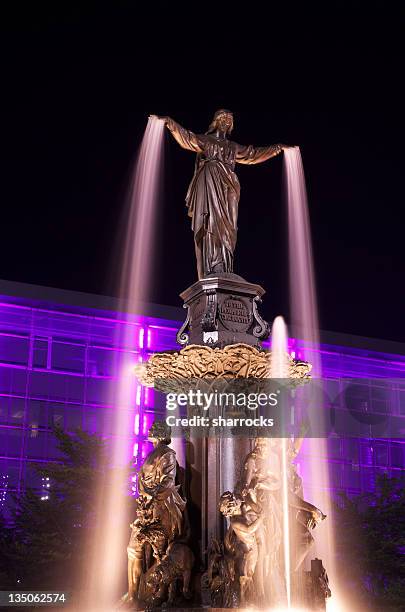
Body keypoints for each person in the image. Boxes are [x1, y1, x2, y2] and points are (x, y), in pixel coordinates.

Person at [151, 110, 292, 279]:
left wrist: (278, 148)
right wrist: (169, 122)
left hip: (230, 186)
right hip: (210, 181)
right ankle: (212, 266)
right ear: (216, 121)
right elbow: (187, 138)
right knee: (211, 222)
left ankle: (225, 266)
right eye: (223, 118)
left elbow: (253, 154)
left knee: (230, 227)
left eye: (229, 119)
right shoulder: (206, 140)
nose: (226, 121)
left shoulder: (233, 147)